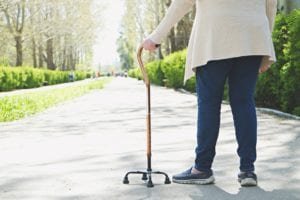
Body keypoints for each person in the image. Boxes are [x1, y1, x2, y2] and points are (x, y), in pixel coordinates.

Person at [142, 0, 277, 187]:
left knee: (209, 104)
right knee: (244, 101)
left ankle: (202, 168)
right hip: (252, 36)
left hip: (215, 36)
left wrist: (156, 37)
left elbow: (182, 2)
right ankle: (248, 170)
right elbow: (271, 4)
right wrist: (264, 42)